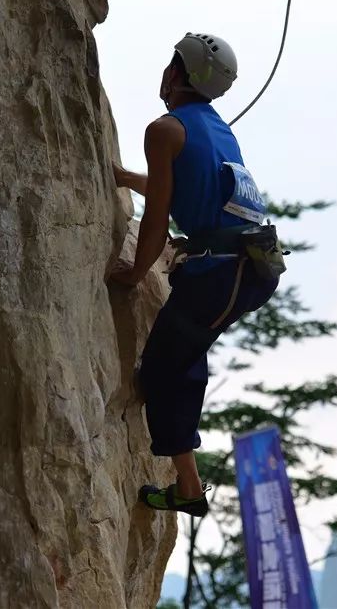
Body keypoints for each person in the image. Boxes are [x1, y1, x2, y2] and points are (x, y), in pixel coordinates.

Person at [109, 32, 280, 517]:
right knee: (179, 356)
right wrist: (127, 180)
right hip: (245, 267)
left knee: (166, 366)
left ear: (176, 73)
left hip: (223, 273)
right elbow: (183, 191)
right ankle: (187, 480)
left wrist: (135, 272)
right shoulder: (219, 129)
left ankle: (187, 486)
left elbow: (160, 214)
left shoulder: (164, 130)